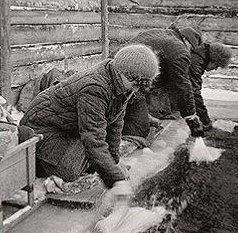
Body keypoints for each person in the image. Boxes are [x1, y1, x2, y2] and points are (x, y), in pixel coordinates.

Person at [19, 44, 159, 189]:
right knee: (70, 171)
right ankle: (36, 161)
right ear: (124, 73)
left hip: (65, 125)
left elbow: (115, 125)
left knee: (98, 160)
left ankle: (73, 157)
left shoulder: (122, 84)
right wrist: (117, 180)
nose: (135, 89)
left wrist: (114, 161)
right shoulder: (96, 88)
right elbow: (94, 140)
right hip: (42, 127)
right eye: (135, 83)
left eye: (139, 85)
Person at [122, 26, 231, 138]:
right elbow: (184, 86)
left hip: (124, 71)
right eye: (191, 50)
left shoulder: (161, 33)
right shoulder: (179, 50)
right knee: (139, 131)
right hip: (127, 81)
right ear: (187, 42)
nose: (190, 53)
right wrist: (192, 117)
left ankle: (138, 114)